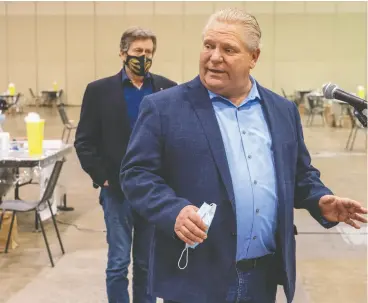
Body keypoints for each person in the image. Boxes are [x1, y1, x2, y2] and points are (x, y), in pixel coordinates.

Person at [120, 8, 367, 303]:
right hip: (197, 278)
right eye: (208, 45)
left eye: (228, 49)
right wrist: (172, 210)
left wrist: (319, 199)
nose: (214, 57)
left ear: (254, 57)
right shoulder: (164, 108)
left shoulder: (282, 111)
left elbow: (299, 174)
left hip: (261, 277)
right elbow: (136, 174)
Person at [74, 26, 177, 303]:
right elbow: (84, 141)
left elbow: (177, 140)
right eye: (137, 52)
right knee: (118, 263)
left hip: (154, 192)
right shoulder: (98, 91)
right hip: (117, 192)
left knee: (147, 263)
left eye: (148, 52)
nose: (143, 57)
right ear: (122, 53)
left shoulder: (167, 89)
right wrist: (104, 177)